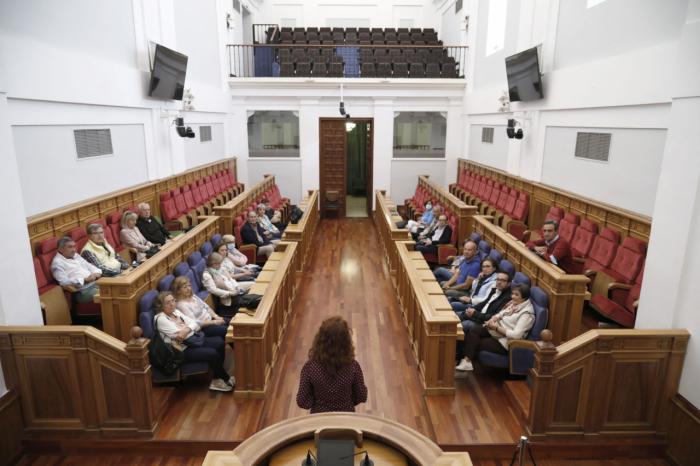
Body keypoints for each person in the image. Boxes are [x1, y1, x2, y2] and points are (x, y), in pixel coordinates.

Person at [153, 291, 233, 392]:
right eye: (168, 302)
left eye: (173, 300)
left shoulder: (175, 312)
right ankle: (226, 378)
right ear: (161, 305)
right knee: (212, 353)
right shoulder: (161, 319)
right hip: (180, 350)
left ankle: (217, 378)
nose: (172, 304)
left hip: (192, 341)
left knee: (219, 342)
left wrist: (187, 329)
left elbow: (193, 323)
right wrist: (189, 329)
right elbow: (180, 336)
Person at [456, 284, 535, 372]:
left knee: (476, 342)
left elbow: (516, 335)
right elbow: (501, 313)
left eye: (516, 295)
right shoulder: (516, 303)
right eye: (512, 294)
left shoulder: (527, 314)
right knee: (474, 329)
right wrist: (493, 319)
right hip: (496, 330)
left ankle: (466, 361)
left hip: (506, 341)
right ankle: (466, 362)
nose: (512, 296)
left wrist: (496, 328)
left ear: (524, 297)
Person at [296, 316, 368, 414]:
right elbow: (362, 396)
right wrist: (347, 402)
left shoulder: (310, 367)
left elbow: (302, 401)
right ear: (346, 342)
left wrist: (317, 403)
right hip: (346, 419)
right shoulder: (353, 367)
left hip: (319, 420)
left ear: (320, 340)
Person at [201, 252, 255, 316]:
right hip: (228, 298)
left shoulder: (219, 268)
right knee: (252, 301)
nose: (221, 265)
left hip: (235, 289)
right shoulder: (206, 275)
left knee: (254, 286)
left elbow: (230, 278)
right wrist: (229, 293)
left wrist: (236, 286)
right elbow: (213, 290)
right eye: (219, 264)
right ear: (214, 264)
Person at [51, 236, 102, 303]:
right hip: (82, 291)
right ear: (60, 249)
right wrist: (84, 280)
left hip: (95, 283)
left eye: (74, 246)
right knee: (109, 293)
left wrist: (96, 273)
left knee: (114, 286)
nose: (74, 249)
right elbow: (64, 282)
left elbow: (90, 266)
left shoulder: (75, 255)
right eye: (70, 247)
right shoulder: (57, 263)